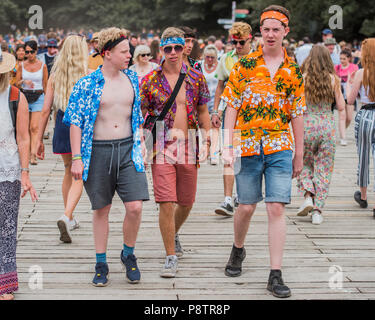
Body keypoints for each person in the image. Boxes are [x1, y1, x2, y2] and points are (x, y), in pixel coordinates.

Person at [221, 5, 305, 298]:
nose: (270, 34)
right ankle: (238, 248)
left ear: (285, 32)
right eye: (265, 29)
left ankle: (275, 273)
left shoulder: (293, 71)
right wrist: (227, 146)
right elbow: (231, 107)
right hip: (247, 146)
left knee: (276, 207)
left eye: (276, 30)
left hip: (280, 146)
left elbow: (297, 113)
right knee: (246, 206)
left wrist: (299, 153)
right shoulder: (243, 66)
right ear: (260, 32)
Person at [63, 27, 149, 287]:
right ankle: (101, 262)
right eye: (124, 51)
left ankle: (128, 253)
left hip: (127, 149)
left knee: (135, 206)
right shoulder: (87, 82)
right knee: (102, 209)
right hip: (97, 151)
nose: (129, 55)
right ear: (107, 53)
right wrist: (76, 158)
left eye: (130, 50)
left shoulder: (133, 78)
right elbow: (75, 122)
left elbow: (136, 114)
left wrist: (141, 139)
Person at [140, 27, 210, 278]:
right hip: (160, 143)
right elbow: (139, 113)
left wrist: (209, 136)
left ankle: (173, 232)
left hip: (189, 142)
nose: (172, 53)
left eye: (177, 48)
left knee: (187, 201)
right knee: (165, 202)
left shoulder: (196, 77)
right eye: (167, 48)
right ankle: (170, 255)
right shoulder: (149, 80)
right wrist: (139, 138)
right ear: (161, 50)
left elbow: (203, 110)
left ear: (185, 48)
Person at [36, 35, 88, 243]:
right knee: (79, 174)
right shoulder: (89, 75)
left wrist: (38, 140)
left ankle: (70, 215)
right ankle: (67, 215)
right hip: (83, 127)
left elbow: (45, 110)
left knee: (68, 170)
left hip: (62, 124)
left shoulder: (55, 76)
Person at [0, 47, 38, 300]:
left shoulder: (15, 96)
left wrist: (25, 173)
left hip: (8, 168)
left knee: (6, 227)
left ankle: (4, 283)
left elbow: (24, 138)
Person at [296, 45, 345, 224]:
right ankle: (318, 211)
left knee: (304, 163)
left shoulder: (302, 79)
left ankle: (308, 195)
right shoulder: (334, 79)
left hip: (306, 126)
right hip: (326, 127)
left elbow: (296, 106)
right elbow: (340, 106)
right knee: (324, 169)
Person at [211, 22, 252, 216]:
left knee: (248, 156)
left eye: (241, 42)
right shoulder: (226, 58)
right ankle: (228, 199)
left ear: (250, 39)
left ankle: (240, 195)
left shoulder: (258, 59)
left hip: (253, 115)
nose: (237, 46)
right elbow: (220, 86)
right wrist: (216, 111)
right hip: (230, 113)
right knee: (229, 154)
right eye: (234, 42)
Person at [347, 38, 375, 218]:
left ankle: (363, 196)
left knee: (364, 157)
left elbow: (350, 100)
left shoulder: (361, 73)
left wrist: (350, 84)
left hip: (365, 115)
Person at [15, 40, 48, 165]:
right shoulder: (21, 65)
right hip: (24, 96)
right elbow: (16, 83)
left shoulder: (42, 66)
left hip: (38, 96)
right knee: (26, 128)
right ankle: (27, 154)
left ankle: (33, 154)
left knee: (34, 127)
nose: (29, 54)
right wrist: (24, 81)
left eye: (31, 52)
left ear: (36, 51)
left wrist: (48, 103)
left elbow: (46, 84)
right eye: (27, 52)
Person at [200, 44, 220, 165]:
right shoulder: (200, 65)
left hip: (216, 101)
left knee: (215, 126)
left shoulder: (219, 67)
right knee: (205, 127)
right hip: (203, 101)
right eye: (208, 57)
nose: (210, 59)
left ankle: (214, 153)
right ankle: (206, 149)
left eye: (213, 57)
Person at [335, 48, 359, 146]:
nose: (342, 61)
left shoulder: (354, 67)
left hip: (350, 94)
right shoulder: (336, 67)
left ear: (349, 58)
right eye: (340, 58)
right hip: (340, 93)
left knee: (349, 118)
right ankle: (343, 137)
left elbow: (357, 80)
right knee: (342, 116)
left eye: (344, 59)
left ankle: (342, 130)